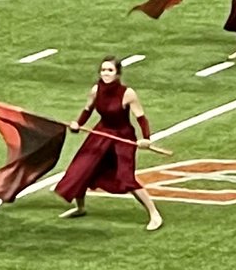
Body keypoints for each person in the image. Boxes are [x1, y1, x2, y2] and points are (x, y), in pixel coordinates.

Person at [53, 56, 164, 231]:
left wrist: (146, 139)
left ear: (118, 74)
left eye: (110, 70)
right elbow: (87, 110)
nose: (106, 73)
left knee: (126, 178)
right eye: (103, 70)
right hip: (102, 133)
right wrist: (77, 124)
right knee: (81, 168)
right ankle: (80, 208)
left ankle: (154, 214)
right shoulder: (96, 90)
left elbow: (141, 117)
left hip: (123, 137)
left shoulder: (128, 93)